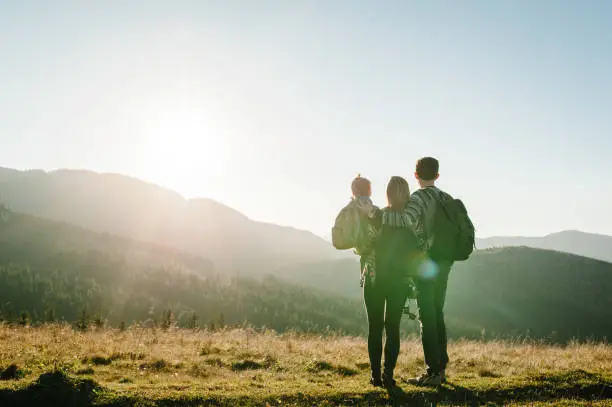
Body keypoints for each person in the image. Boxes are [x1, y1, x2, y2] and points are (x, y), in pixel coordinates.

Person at [360, 176, 420, 388]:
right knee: (392, 328)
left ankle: (375, 376)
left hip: (375, 278)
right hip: (399, 281)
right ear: (406, 194)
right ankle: (388, 375)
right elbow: (417, 251)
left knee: (374, 328)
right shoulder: (410, 222)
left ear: (387, 194)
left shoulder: (378, 217)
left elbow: (364, 245)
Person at [404, 157, 454, 386]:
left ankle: (432, 371)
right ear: (437, 176)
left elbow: (405, 222)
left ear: (416, 175)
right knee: (437, 312)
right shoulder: (445, 198)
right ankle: (440, 369)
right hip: (444, 262)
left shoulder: (418, 198)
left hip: (426, 262)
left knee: (427, 315)